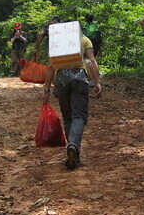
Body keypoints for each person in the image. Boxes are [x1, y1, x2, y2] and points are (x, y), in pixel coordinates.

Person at [42, 24, 102, 170]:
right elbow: (91, 61)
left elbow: (50, 67)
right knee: (79, 116)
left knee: (68, 117)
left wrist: (46, 89)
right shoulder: (84, 40)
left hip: (61, 80)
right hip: (79, 79)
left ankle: (74, 151)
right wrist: (97, 82)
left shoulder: (57, 42)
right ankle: (73, 145)